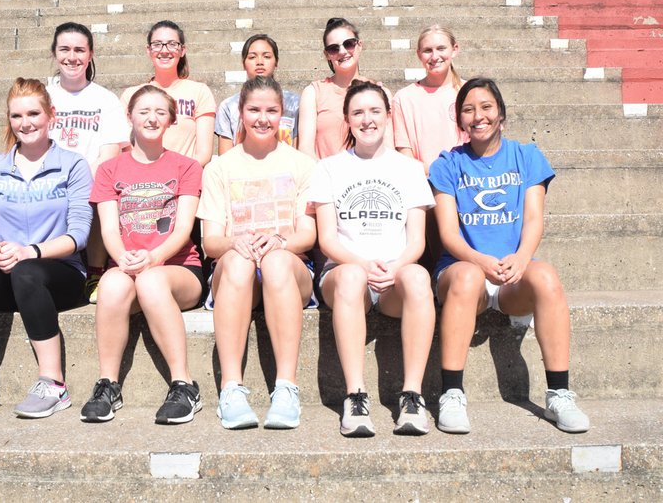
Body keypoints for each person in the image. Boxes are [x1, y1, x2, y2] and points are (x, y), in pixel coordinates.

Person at [428, 77, 590, 434]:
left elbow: (533, 219)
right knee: (468, 276)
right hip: (461, 272)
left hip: (510, 276)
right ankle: (452, 394)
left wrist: (521, 257)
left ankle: (559, 394)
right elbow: (448, 235)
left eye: (486, 107)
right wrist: (479, 260)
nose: (478, 116)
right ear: (460, 120)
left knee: (545, 275)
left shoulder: (526, 156)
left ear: (500, 113)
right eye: (468, 110)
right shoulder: (447, 164)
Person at [0, 77, 93, 419]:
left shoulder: (73, 165)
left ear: (51, 115)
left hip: (59, 274)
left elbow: (78, 235)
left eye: (33, 113)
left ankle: (53, 383)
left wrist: (29, 251)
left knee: (28, 272)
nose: (25, 123)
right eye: (17, 116)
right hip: (12, 267)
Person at [309, 81, 436, 437]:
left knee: (418, 277)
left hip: (394, 276)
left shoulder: (409, 169)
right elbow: (327, 239)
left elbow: (416, 240)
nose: (367, 120)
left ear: (388, 115)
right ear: (347, 120)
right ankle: (355, 396)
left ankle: (412, 396)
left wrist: (395, 267)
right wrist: (363, 266)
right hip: (346, 276)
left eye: (375, 111)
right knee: (349, 276)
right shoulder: (330, 168)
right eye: (358, 113)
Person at [198, 76, 317, 430]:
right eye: (254, 110)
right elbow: (210, 242)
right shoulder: (220, 167)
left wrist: (280, 243)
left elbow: (308, 233)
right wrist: (237, 243)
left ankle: (285, 388)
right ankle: (231, 388)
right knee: (236, 259)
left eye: (271, 110)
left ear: (282, 114)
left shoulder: (302, 165)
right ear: (240, 112)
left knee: (277, 260)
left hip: (290, 273)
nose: (263, 118)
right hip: (239, 278)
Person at [80, 86, 204, 425]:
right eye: (144, 111)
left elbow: (182, 231)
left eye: (160, 112)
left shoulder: (187, 167)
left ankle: (185, 384)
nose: (152, 118)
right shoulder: (109, 170)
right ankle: (108, 384)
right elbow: (108, 231)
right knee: (110, 285)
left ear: (171, 121)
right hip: (128, 263)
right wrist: (122, 259)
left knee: (150, 279)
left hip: (179, 269)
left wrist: (151, 258)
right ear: (130, 117)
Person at [47, 22, 131, 304]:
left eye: (80, 50)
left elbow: (110, 154)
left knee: (101, 191)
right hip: (50, 178)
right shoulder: (43, 95)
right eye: (65, 49)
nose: (72, 56)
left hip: (90, 180)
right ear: (54, 53)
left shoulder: (105, 99)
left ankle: (95, 270)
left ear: (91, 54)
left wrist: (80, 183)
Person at [120, 20, 216, 168]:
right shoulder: (131, 95)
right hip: (141, 181)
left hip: (183, 180)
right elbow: (126, 149)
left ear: (182, 50)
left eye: (172, 44)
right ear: (148, 50)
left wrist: (174, 173)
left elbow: (203, 154)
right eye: (157, 44)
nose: (164, 50)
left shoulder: (200, 92)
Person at [298, 17, 394, 160]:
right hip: (328, 177)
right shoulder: (313, 92)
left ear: (359, 45)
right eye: (333, 48)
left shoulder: (380, 92)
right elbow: (305, 149)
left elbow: (388, 146)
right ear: (327, 55)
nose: (342, 51)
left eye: (349, 44)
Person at [393, 25, 467, 175]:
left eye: (441, 48)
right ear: (419, 54)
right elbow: (404, 152)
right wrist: (436, 175)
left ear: (455, 49)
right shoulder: (403, 98)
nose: (434, 56)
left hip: (465, 180)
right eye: (428, 50)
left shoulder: (470, 93)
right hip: (423, 184)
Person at [215, 34, 300, 154]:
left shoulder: (295, 103)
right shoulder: (228, 106)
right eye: (252, 57)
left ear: (276, 62)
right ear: (243, 63)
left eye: (266, 56)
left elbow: (299, 154)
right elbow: (224, 158)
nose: (259, 62)